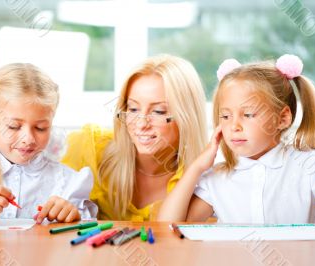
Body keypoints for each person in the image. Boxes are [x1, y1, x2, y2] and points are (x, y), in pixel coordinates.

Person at [157, 54, 315, 231]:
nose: (234, 126)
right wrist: (196, 167)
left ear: (283, 118)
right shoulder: (217, 179)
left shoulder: (312, 166)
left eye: (248, 114)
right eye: (225, 116)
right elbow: (167, 227)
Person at [62, 54, 208, 221]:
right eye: (133, 109)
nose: (141, 125)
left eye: (158, 112)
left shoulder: (203, 180)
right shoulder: (87, 148)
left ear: (187, 117)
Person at [0, 63, 96, 223]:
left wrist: (72, 216)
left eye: (40, 128)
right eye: (14, 126)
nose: (28, 139)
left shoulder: (66, 182)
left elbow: (86, 231)